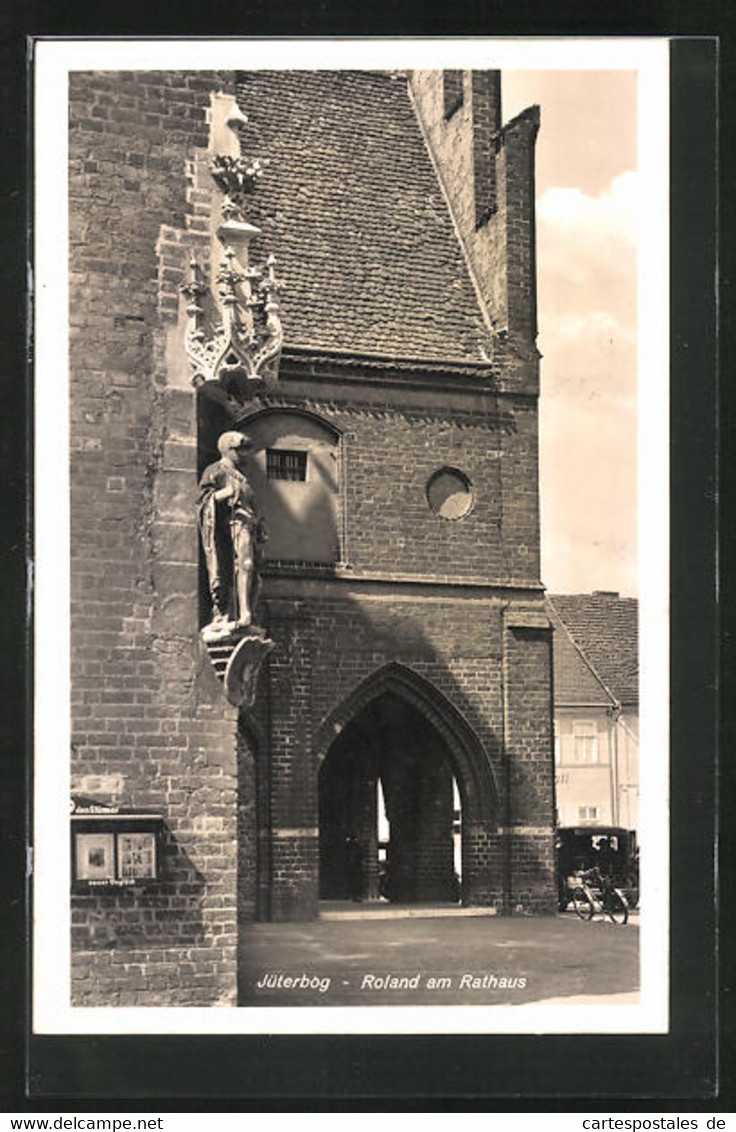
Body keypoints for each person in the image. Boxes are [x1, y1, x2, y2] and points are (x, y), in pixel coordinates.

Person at [197, 431, 266, 630]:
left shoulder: (243, 479)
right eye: (241, 450)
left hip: (249, 527)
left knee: (251, 570)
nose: (246, 454)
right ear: (228, 449)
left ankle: (240, 610)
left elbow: (254, 507)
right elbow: (202, 501)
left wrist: (261, 525)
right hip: (233, 525)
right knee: (245, 563)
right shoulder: (216, 470)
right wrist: (224, 493)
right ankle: (243, 613)